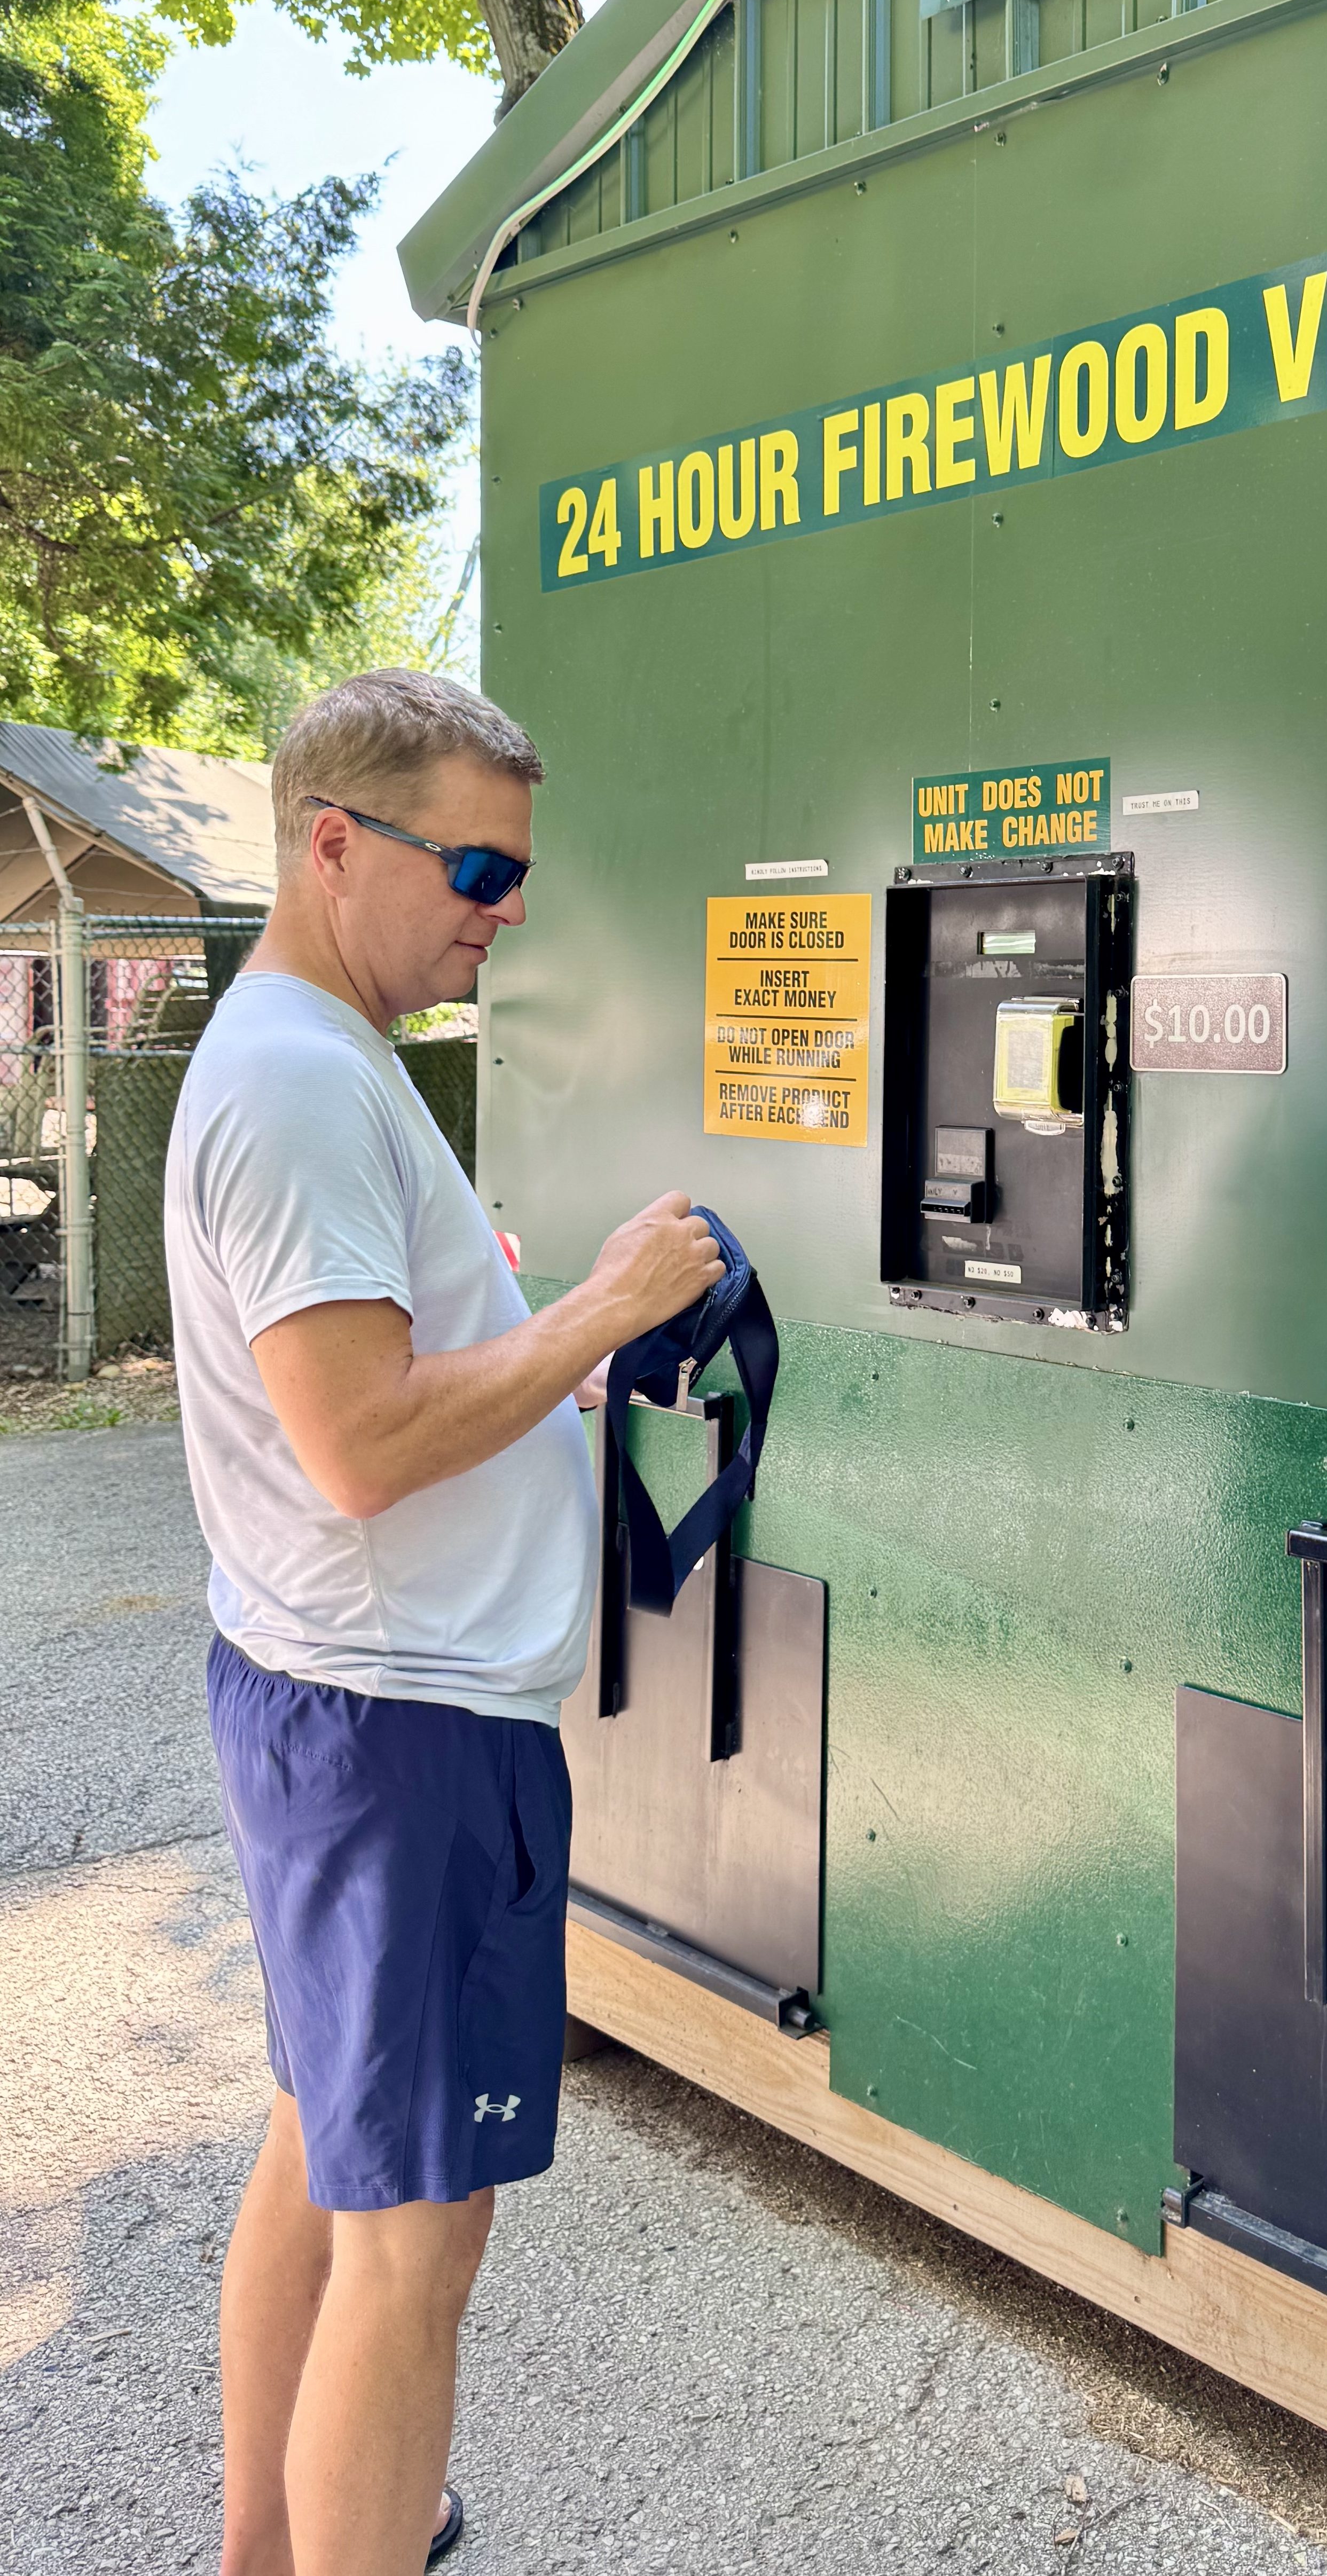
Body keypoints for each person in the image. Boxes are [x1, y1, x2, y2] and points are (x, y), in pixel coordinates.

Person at [164, 669, 724, 2576]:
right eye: (479, 866)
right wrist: (607, 1308)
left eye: (519, 871)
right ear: (335, 846)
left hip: (339, 1701)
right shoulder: (307, 1085)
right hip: (400, 1731)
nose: (509, 905)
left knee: (325, 2144)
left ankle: (271, 2548)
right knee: (418, 2237)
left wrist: (544, 1357)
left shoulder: (311, 1050)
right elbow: (361, 1443)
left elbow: (395, 1370)